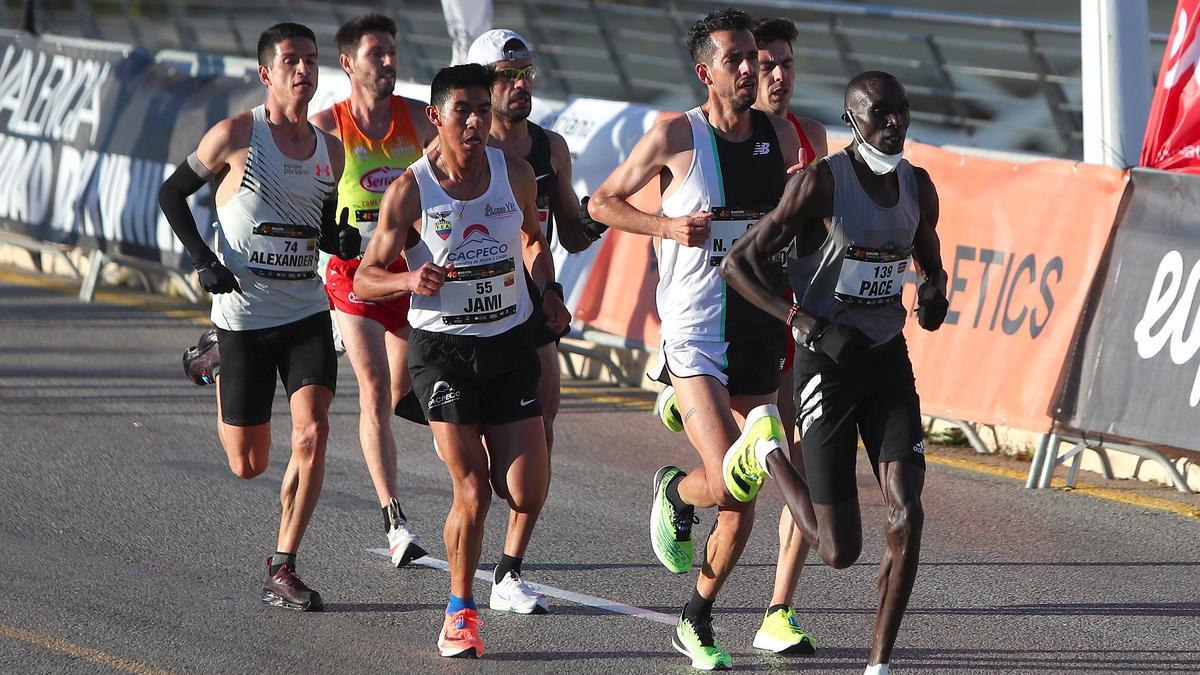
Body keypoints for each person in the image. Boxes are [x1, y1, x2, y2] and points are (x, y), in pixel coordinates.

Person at [588, 9, 801, 670]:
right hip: (696, 336)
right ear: (705, 71)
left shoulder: (783, 138)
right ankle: (678, 490)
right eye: (736, 59)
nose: (750, 70)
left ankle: (695, 616)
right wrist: (662, 225)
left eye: (755, 58)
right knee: (732, 486)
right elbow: (599, 202)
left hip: (759, 328)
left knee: (741, 505)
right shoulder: (677, 135)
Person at [719, 71, 950, 675]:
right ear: (854, 120)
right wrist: (801, 324)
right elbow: (738, 264)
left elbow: (930, 262)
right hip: (826, 361)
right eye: (882, 113)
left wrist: (933, 292)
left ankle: (878, 664)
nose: (896, 123)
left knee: (908, 511)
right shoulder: (821, 184)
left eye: (902, 111)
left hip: (885, 362)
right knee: (837, 549)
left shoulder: (918, 186)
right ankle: (768, 448)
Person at [354, 64, 570, 658]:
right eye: (462, 111)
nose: (475, 122)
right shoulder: (410, 190)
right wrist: (405, 277)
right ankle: (459, 612)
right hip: (443, 352)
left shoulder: (516, 173)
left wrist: (546, 289)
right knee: (472, 488)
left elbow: (533, 239)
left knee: (526, 489)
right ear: (437, 117)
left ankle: (495, 573)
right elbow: (365, 277)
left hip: (507, 343)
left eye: (482, 108)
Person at [165, 22, 360, 611]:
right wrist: (203, 262)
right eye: (291, 61)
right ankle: (217, 361)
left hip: (304, 311)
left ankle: (284, 564)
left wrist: (339, 239)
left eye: (311, 60)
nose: (304, 70)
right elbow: (172, 195)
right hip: (243, 316)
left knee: (313, 432)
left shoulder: (331, 148)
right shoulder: (234, 135)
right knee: (248, 464)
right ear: (266, 74)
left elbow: (320, 223)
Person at [464, 26, 608, 606]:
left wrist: (602, 212)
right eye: (506, 78)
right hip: (467, 312)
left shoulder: (550, 150)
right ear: (481, 85)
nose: (520, 86)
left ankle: (507, 571)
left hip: (533, 304)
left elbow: (569, 234)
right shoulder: (462, 147)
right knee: (479, 465)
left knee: (540, 439)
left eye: (526, 75)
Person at [308, 13, 435, 569]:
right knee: (374, 387)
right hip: (352, 277)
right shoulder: (328, 127)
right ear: (348, 63)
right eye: (375, 54)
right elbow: (298, 195)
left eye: (391, 52)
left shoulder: (417, 120)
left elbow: (451, 173)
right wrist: (323, 229)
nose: (387, 62)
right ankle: (395, 520)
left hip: (407, 275)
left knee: (405, 390)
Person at [750, 15, 829, 655]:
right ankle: (679, 488)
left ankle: (779, 609)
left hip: (792, 320)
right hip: (726, 325)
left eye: (786, 65)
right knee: (733, 481)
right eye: (766, 65)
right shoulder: (705, 139)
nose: (778, 76)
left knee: (803, 461)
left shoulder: (812, 135)